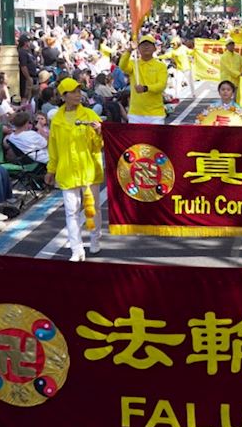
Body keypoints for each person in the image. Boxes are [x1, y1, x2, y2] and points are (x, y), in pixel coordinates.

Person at [46, 78, 104, 261]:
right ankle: (76, 249)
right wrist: (51, 170)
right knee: (71, 211)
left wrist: (99, 132)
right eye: (73, 92)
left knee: (93, 208)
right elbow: (53, 148)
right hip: (67, 170)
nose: (78, 95)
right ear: (63, 96)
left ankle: (95, 239)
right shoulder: (56, 120)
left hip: (89, 169)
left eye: (79, 91)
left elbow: (99, 145)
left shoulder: (89, 115)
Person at [118, 37, 167, 125]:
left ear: (154, 48)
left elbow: (161, 85)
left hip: (156, 114)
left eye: (149, 45)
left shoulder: (161, 66)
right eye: (143, 45)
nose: (146, 47)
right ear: (138, 49)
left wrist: (145, 88)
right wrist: (129, 50)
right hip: (135, 114)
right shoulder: (134, 64)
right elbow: (122, 66)